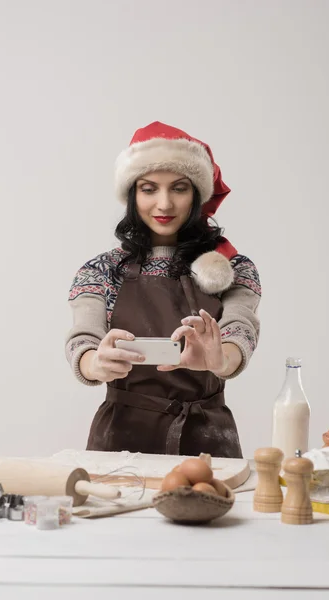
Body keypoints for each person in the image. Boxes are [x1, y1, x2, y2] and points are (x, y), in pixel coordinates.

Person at [65, 121, 261, 457]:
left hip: (208, 442)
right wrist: (96, 363)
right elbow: (83, 339)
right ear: (132, 194)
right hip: (119, 442)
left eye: (180, 188)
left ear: (197, 194)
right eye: (149, 188)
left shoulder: (232, 269)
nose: (165, 204)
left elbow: (239, 333)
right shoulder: (101, 270)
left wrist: (218, 359)